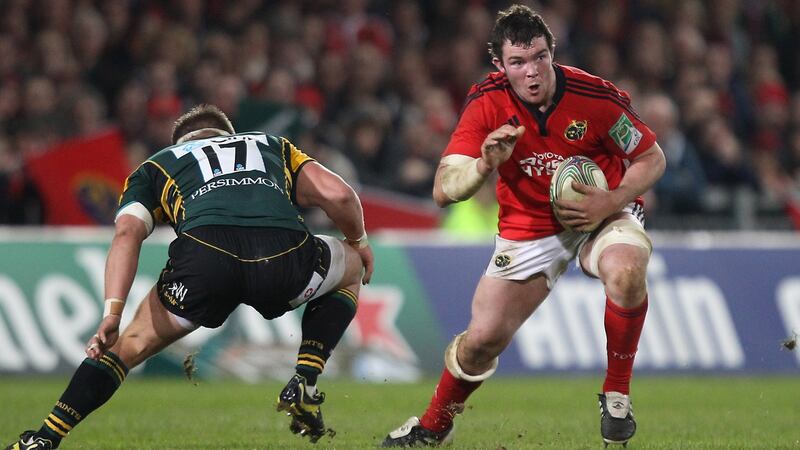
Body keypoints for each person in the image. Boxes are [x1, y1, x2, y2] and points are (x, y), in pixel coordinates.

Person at [6, 104, 374, 450]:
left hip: (204, 263)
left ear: (181, 142)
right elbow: (339, 195)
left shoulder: (156, 164)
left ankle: (44, 438)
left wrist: (112, 313)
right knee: (351, 266)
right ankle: (305, 380)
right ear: (230, 135)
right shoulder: (268, 145)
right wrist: (359, 242)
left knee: (129, 345)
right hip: (281, 258)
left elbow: (127, 234)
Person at [382, 4, 665, 448]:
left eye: (539, 57)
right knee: (481, 341)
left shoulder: (596, 97)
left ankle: (616, 395)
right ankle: (435, 426)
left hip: (602, 211)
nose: (531, 72)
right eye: (517, 62)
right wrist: (483, 165)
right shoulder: (486, 102)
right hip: (530, 226)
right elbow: (443, 189)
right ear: (499, 64)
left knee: (627, 271)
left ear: (553, 52)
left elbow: (651, 157)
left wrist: (611, 200)